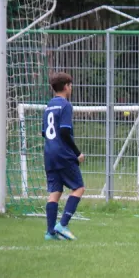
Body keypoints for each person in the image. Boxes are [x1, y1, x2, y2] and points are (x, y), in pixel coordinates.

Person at [42, 72, 85, 241]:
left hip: (49, 153)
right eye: (71, 85)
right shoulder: (66, 105)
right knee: (79, 188)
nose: (71, 88)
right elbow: (65, 131)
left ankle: (50, 232)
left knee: (55, 191)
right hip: (63, 153)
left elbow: (44, 132)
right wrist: (77, 153)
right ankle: (63, 224)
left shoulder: (48, 106)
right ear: (66, 86)